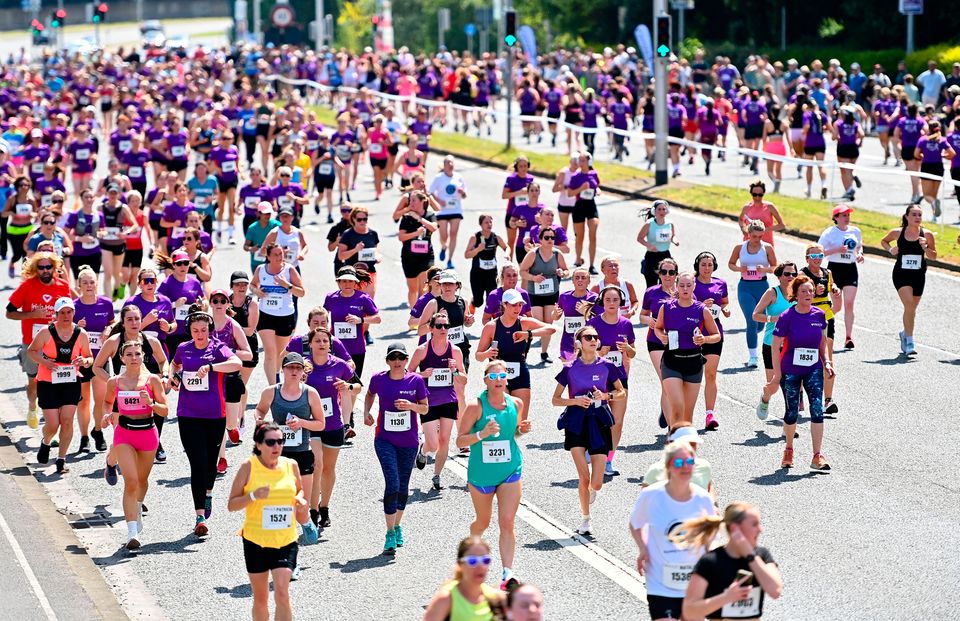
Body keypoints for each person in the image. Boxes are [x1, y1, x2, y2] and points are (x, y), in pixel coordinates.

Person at [456, 359, 531, 590]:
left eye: (503, 376)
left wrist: (521, 430)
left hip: (510, 469)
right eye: (494, 377)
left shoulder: (516, 404)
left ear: (507, 379)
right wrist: (482, 434)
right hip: (482, 474)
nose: (499, 380)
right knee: (483, 521)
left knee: (507, 522)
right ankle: (469, 555)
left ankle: (507, 574)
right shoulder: (475, 406)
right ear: (486, 380)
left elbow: (512, 435)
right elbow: (459, 441)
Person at [169, 309, 243, 536]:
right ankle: (199, 516)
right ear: (190, 331)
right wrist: (173, 376)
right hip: (188, 414)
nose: (199, 335)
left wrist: (212, 367)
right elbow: (175, 364)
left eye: (203, 330)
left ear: (209, 330)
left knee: (210, 463)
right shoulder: (184, 348)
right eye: (195, 331)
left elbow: (237, 363)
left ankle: (208, 491)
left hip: (214, 415)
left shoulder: (218, 348)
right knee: (198, 463)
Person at [629, 440, 717, 621]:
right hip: (661, 582)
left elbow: (710, 534)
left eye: (689, 462)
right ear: (669, 466)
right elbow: (635, 523)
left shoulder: (703, 499)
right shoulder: (652, 495)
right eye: (679, 463)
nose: (685, 467)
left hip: (694, 581)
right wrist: (643, 548)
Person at [227, 421, 306, 621]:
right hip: (256, 540)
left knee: (282, 592)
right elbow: (232, 504)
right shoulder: (248, 467)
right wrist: (253, 496)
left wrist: (301, 499)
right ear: (259, 444)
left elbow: (299, 489)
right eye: (271, 442)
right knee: (261, 598)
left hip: (285, 539)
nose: (277, 447)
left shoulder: (291, 465)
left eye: (281, 441)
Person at [756, 275, 834, 471]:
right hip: (790, 370)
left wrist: (827, 362)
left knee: (817, 409)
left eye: (810, 290)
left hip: (813, 369)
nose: (808, 294)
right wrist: (776, 374)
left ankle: (817, 456)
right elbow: (775, 347)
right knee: (792, 411)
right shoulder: (787, 317)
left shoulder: (819, 315)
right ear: (796, 295)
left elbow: (822, 342)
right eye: (804, 291)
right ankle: (789, 450)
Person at [552, 326, 623, 536]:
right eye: (588, 337)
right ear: (579, 342)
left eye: (596, 336)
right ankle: (586, 519)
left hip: (599, 420)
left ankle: (591, 490)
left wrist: (606, 396)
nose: (593, 339)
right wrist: (575, 400)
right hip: (576, 421)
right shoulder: (569, 368)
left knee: (597, 483)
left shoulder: (607, 366)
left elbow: (621, 392)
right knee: (583, 478)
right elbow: (555, 399)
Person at [363, 343, 429, 556]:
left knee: (403, 486)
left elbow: (425, 407)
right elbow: (369, 394)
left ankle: (398, 525)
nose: (397, 361)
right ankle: (390, 532)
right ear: (387, 361)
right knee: (392, 482)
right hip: (384, 439)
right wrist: (366, 413)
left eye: (401, 357)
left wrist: (410, 406)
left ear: (406, 359)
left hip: (409, 442)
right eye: (393, 358)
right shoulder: (378, 379)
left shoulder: (416, 380)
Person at [253, 352, 324, 546]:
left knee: (302, 504)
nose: (294, 371)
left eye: (298, 368)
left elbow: (320, 424)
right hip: (278, 455)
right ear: (282, 370)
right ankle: (289, 557)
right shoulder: (271, 392)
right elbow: (260, 409)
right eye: (290, 367)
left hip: (302, 454)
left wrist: (301, 422)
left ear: (303, 371)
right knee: (281, 505)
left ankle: (306, 521)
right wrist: (259, 419)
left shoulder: (310, 393)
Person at [102, 340, 167, 550]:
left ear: (142, 356)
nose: (133, 358)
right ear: (122, 358)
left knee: (142, 480)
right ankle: (131, 532)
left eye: (137, 354)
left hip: (147, 433)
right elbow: (107, 402)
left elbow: (165, 410)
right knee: (130, 482)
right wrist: (107, 415)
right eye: (129, 354)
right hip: (124, 433)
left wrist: (151, 403)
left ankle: (137, 508)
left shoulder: (153, 380)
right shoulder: (115, 382)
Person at [675, 502, 783, 620]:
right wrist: (727, 597)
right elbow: (689, 611)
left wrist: (750, 555)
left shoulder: (761, 555)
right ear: (734, 528)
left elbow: (775, 591)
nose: (760, 530)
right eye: (754, 524)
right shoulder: (710, 561)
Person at [28, 297, 94, 474]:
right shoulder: (46, 332)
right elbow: (31, 351)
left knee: (66, 421)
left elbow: (89, 358)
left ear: (73, 313)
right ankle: (46, 441)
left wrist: (84, 361)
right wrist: (45, 362)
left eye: (69, 312)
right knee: (52, 425)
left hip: (70, 381)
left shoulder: (81, 334)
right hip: (48, 381)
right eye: (62, 312)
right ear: (56, 314)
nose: (66, 315)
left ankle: (61, 459)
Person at [303, 327, 360, 528]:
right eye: (317, 341)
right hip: (311, 423)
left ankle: (324, 506)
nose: (321, 344)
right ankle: (313, 509)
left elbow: (358, 386)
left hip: (333, 423)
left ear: (330, 344)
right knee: (316, 464)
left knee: (328, 468)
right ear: (310, 344)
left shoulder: (340, 365)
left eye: (325, 341)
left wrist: (348, 387)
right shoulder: (305, 367)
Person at [7, 251, 71, 428]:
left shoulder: (62, 286)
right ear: (36, 269)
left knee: (55, 382)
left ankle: (53, 424)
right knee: (34, 382)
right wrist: (31, 314)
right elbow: (9, 313)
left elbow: (69, 312)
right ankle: (32, 406)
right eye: (41, 267)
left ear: (54, 267)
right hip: (32, 343)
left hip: (56, 343)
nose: (45, 271)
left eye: (48, 267)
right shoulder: (27, 286)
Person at [476, 289, 555, 424]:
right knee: (501, 417)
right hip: (498, 375)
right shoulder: (491, 326)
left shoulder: (524, 322)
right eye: (514, 305)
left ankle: (512, 444)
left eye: (520, 305)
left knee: (520, 422)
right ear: (504, 305)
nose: (518, 308)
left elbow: (551, 329)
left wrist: (528, 334)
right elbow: (478, 355)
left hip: (520, 372)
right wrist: (486, 354)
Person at [410, 311, 468, 490]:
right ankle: (423, 450)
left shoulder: (455, 351)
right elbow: (406, 374)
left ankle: (437, 475)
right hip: (428, 401)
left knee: (444, 440)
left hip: (449, 401)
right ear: (431, 328)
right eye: (439, 326)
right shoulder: (422, 350)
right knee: (433, 443)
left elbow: (464, 379)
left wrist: (455, 371)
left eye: (446, 326)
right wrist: (422, 374)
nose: (443, 329)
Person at [655, 273, 721, 429]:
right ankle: (673, 437)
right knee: (677, 406)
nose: (685, 289)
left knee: (687, 415)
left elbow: (716, 335)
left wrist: (704, 339)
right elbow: (657, 328)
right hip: (672, 361)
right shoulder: (667, 307)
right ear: (676, 286)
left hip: (693, 362)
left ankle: (683, 447)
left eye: (688, 285)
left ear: (694, 286)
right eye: (682, 285)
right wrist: (662, 336)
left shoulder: (702, 309)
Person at [881, 204, 936, 356]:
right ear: (906, 217)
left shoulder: (927, 235)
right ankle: (910, 341)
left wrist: (925, 248)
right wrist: (890, 249)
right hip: (901, 274)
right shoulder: (898, 233)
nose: (917, 218)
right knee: (909, 305)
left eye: (920, 215)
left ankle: (905, 333)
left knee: (911, 309)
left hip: (919, 275)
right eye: (914, 214)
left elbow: (934, 256)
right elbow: (884, 241)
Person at [73, 266, 114, 452]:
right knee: (84, 401)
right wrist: (75, 326)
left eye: (92, 282)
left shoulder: (106, 304)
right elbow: (62, 330)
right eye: (85, 283)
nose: (89, 286)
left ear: (96, 284)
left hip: (101, 359)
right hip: (81, 361)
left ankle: (97, 431)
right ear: (79, 285)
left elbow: (112, 322)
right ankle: (83, 438)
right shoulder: (73, 306)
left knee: (101, 399)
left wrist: (108, 329)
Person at [251, 242, 306, 383]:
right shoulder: (261, 269)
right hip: (265, 315)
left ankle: (276, 373)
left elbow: (301, 292)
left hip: (285, 316)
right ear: (268, 256)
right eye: (275, 254)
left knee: (280, 353)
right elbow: (252, 285)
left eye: (281, 253)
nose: (279, 257)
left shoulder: (289, 270)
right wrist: (257, 291)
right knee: (270, 352)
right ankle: (272, 386)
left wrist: (287, 285)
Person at [728, 220, 777, 368]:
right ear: (748, 234)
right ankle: (753, 356)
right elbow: (730, 264)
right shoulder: (739, 248)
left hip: (762, 286)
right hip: (745, 287)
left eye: (760, 237)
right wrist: (739, 269)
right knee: (751, 320)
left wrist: (765, 269)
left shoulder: (767, 248)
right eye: (755, 236)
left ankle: (754, 336)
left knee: (759, 325)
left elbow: (776, 267)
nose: (757, 240)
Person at [422, 537, 506, 621]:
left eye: (485, 560)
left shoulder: (496, 598)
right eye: (472, 561)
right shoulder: (446, 599)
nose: (480, 566)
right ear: (460, 565)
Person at [801, 244, 841, 416]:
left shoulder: (827, 273)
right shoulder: (802, 274)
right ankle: (800, 395)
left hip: (826, 317)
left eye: (820, 255)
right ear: (807, 258)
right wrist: (814, 293)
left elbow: (832, 286)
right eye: (814, 256)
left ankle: (828, 400)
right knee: (806, 356)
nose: (817, 259)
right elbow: (797, 295)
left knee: (827, 358)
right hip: (809, 317)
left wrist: (835, 290)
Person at [518, 228, 568, 363]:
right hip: (535, 293)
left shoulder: (558, 254)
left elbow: (567, 270)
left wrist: (562, 273)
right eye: (547, 238)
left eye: (552, 238)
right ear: (540, 240)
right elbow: (522, 271)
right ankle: (524, 350)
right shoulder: (533, 254)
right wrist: (533, 278)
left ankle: (544, 352)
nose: (550, 240)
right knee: (538, 324)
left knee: (548, 324)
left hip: (552, 292)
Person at [693, 252, 730, 430]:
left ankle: (710, 414)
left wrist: (726, 309)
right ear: (697, 266)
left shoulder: (720, 283)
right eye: (703, 265)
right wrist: (701, 305)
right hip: (692, 334)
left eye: (709, 264)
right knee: (692, 376)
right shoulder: (691, 284)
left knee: (711, 374)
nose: (706, 268)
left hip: (714, 333)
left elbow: (724, 302)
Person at [818, 205, 863, 349]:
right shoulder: (829, 233)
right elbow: (819, 252)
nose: (847, 218)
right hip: (835, 269)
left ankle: (848, 337)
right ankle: (819, 321)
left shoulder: (855, 231)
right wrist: (837, 250)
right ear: (836, 218)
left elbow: (858, 246)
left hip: (850, 269)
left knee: (849, 303)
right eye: (843, 215)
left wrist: (860, 254)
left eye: (848, 215)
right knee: (837, 305)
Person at [324, 266, 381, 378]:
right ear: (339, 282)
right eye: (344, 281)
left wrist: (360, 320)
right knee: (335, 381)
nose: (347, 284)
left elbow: (377, 318)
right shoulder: (331, 297)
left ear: (355, 282)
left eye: (350, 281)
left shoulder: (363, 298)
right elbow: (323, 317)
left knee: (353, 382)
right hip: (335, 347)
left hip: (356, 348)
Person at [642, 425, 714, 498]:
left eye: (693, 444)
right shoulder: (656, 470)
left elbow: (709, 487)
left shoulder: (704, 466)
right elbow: (644, 498)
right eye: (687, 443)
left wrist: (714, 505)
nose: (690, 448)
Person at [397, 190, 438, 308]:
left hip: (426, 257)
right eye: (410, 200)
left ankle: (421, 316)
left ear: (422, 201)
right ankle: (413, 315)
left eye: (414, 200)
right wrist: (416, 233)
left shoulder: (430, 215)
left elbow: (434, 227)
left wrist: (419, 219)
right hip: (409, 257)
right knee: (413, 289)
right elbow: (401, 237)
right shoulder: (406, 218)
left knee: (423, 288)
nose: (411, 203)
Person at [429, 155, 467, 269]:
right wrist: (439, 200)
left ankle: (450, 260)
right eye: (448, 163)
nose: (450, 165)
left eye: (452, 163)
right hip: (442, 211)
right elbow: (430, 192)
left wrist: (462, 192)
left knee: (454, 234)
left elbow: (465, 194)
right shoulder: (439, 177)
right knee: (444, 236)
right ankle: (444, 246)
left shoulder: (459, 177)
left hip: (456, 210)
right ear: (444, 165)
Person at [565, 151, 600, 274]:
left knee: (593, 233)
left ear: (589, 161)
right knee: (580, 236)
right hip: (579, 206)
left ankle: (592, 265)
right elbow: (569, 193)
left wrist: (598, 191)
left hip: (591, 205)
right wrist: (581, 189)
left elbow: (597, 186)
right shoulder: (575, 176)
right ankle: (578, 260)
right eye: (579, 160)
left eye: (583, 160)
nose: (581, 163)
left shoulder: (594, 174)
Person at [465, 214, 507, 315]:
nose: (489, 224)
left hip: (492, 274)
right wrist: (478, 249)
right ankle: (473, 303)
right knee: (479, 301)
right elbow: (467, 255)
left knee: (492, 300)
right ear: (481, 224)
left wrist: (507, 254)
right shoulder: (475, 237)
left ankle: (493, 323)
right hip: (477, 274)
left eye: (490, 222)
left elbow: (507, 247)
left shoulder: (496, 237)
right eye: (486, 222)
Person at [914, 120, 955, 221]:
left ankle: (933, 205)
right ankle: (934, 217)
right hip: (938, 167)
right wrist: (942, 155)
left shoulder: (923, 140)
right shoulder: (942, 140)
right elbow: (952, 154)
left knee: (927, 195)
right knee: (934, 194)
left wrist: (923, 156)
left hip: (927, 166)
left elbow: (916, 154)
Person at [555, 267, 597, 362]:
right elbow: (556, 316)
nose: (580, 280)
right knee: (568, 371)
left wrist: (586, 313)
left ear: (589, 281)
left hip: (588, 341)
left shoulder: (594, 298)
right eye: (577, 277)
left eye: (583, 277)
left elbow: (599, 321)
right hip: (568, 341)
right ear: (572, 280)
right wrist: (555, 314)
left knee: (585, 372)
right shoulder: (564, 297)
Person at [637, 200, 678, 288]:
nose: (661, 212)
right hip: (652, 256)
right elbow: (639, 238)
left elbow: (673, 236)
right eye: (659, 209)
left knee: (666, 284)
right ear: (654, 211)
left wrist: (675, 241)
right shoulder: (649, 224)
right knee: (651, 285)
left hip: (665, 256)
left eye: (664, 209)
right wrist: (649, 245)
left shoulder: (670, 223)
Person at [737, 182, 785, 246]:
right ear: (751, 193)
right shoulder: (746, 207)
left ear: (763, 193)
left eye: (760, 195)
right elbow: (741, 220)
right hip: (748, 245)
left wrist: (764, 230)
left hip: (766, 245)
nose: (757, 197)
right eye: (755, 194)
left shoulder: (770, 207)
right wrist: (743, 228)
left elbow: (781, 225)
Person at [833, 107, 865, 201]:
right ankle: (852, 180)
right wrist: (859, 141)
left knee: (844, 171)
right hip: (853, 148)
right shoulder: (855, 124)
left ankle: (849, 189)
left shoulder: (838, 123)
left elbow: (834, 136)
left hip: (843, 148)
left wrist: (838, 138)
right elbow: (862, 134)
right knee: (851, 168)